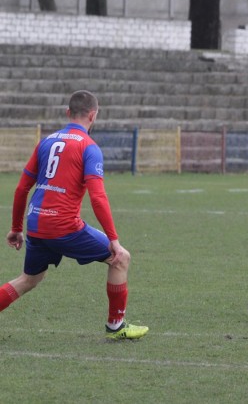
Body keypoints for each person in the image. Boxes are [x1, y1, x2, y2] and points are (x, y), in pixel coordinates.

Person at [2, 90, 148, 341]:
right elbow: (98, 197)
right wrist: (114, 239)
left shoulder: (46, 142)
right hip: (64, 226)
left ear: (68, 113)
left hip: (36, 223)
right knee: (121, 258)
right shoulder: (89, 148)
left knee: (30, 278)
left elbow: (21, 188)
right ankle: (116, 325)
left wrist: (16, 227)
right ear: (93, 116)